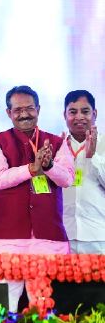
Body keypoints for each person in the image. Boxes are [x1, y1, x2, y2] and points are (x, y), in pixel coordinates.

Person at [0, 85, 74, 311]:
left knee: (42, 308)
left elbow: (67, 179)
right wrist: (32, 169)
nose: (24, 114)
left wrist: (49, 165)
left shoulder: (57, 142)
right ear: (8, 113)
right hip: (6, 238)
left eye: (29, 108)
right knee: (3, 309)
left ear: (38, 109)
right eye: (18, 109)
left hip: (46, 237)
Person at [60, 90, 105, 254]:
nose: (79, 117)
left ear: (95, 114)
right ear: (64, 115)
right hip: (64, 235)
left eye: (85, 111)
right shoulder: (57, 146)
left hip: (98, 236)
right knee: (62, 280)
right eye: (72, 112)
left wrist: (92, 157)